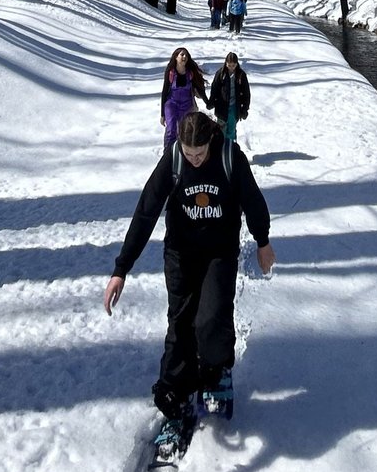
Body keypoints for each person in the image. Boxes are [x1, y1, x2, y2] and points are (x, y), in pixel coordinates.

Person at [103, 110, 276, 428]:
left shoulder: (229, 157)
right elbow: (146, 212)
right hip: (180, 252)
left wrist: (263, 241)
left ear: (210, 141)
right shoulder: (174, 160)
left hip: (219, 252)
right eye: (188, 153)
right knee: (181, 322)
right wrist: (121, 269)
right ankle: (174, 393)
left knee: (211, 317)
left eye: (199, 154)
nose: (195, 160)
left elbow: (252, 199)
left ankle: (216, 369)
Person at [160, 46, 207, 148]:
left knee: (183, 131)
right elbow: (164, 92)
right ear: (176, 57)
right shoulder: (171, 72)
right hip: (171, 104)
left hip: (187, 105)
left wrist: (207, 102)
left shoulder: (190, 73)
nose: (184, 56)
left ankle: (180, 153)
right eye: (182, 54)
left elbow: (199, 88)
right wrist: (162, 114)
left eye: (186, 55)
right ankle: (167, 154)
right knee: (171, 129)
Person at [208, 51, 250, 142]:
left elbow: (246, 93)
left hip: (234, 107)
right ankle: (220, 148)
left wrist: (245, 108)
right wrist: (211, 101)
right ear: (226, 63)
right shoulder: (221, 74)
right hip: (221, 106)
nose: (231, 68)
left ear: (236, 64)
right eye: (229, 65)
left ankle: (230, 148)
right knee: (220, 130)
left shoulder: (241, 75)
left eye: (233, 65)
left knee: (231, 129)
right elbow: (214, 88)